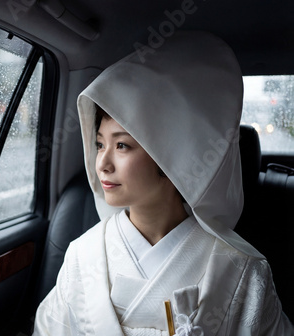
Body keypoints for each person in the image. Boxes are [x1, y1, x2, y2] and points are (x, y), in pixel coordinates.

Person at [33, 31, 294, 335]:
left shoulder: (242, 272)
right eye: (100, 144)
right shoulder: (82, 256)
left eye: (122, 146)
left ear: (174, 156)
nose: (102, 163)